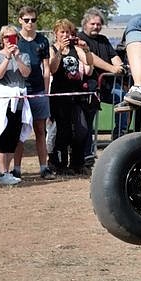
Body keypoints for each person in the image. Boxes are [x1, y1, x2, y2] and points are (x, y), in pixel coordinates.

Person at [13, 6, 56, 179]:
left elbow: (46, 68)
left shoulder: (42, 40)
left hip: (38, 90)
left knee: (40, 130)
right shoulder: (15, 40)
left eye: (33, 20)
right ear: (20, 20)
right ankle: (16, 168)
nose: (30, 23)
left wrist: (45, 92)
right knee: (20, 131)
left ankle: (43, 167)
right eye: (27, 20)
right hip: (21, 90)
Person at [0, 25, 32, 185]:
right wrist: (7, 57)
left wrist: (17, 57)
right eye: (6, 37)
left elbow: (26, 73)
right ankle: (2, 172)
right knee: (2, 136)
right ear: (1, 40)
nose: (9, 40)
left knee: (14, 136)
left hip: (18, 100)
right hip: (2, 101)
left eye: (13, 37)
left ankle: (7, 170)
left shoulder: (24, 55)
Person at [48, 19, 94, 175]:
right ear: (56, 34)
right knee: (63, 131)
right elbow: (52, 69)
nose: (65, 35)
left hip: (76, 95)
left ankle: (78, 163)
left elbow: (89, 66)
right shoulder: (53, 49)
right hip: (60, 96)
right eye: (62, 32)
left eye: (68, 32)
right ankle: (59, 163)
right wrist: (60, 51)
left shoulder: (76, 49)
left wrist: (86, 50)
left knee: (82, 130)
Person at [77, 8, 126, 154]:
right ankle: (88, 151)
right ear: (85, 24)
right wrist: (112, 69)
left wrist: (119, 66)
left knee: (126, 100)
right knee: (87, 120)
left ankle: (119, 137)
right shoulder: (80, 39)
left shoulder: (104, 40)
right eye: (93, 24)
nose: (96, 27)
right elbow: (91, 58)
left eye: (98, 24)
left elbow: (114, 56)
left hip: (109, 85)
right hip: (90, 86)